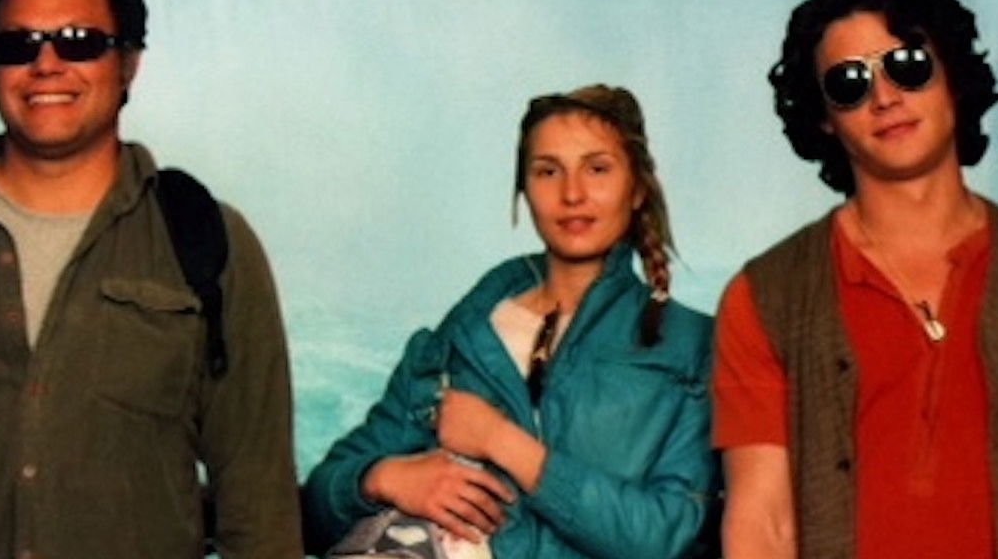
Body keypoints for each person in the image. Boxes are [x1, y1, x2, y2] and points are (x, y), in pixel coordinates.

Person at [713, 0, 998, 559]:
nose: (885, 98)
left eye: (908, 65)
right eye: (849, 83)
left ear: (953, 76)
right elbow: (762, 526)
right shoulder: (766, 296)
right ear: (824, 116)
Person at [0, 0, 302, 558]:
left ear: (128, 63)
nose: (46, 64)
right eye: (17, 45)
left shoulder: (205, 241)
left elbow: (258, 501)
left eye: (79, 41)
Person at [303, 85, 715, 558]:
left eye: (597, 169)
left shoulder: (694, 347)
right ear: (524, 189)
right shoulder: (460, 338)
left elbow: (666, 537)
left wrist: (501, 442)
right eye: (547, 171)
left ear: (637, 187)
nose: (572, 194)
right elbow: (313, 510)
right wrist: (382, 479)